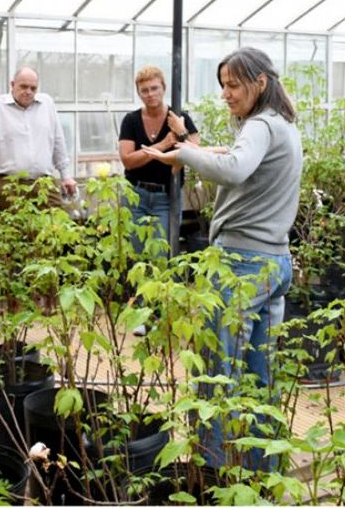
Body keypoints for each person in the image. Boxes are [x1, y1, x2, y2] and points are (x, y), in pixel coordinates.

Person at [143, 47, 302, 471]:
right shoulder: (281, 125)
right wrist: (200, 149)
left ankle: (209, 475)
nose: (226, 94)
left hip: (241, 265)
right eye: (223, 86)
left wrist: (181, 155)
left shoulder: (260, 125)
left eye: (233, 85)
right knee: (259, 378)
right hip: (275, 263)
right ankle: (261, 473)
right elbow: (236, 157)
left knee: (215, 376)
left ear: (260, 82)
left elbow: (235, 168)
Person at [0, 67, 76, 208]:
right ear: (12, 85)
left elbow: (58, 141)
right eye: (23, 87)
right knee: (14, 228)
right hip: (8, 185)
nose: (28, 92)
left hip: (43, 183)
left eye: (33, 88)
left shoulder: (47, 104)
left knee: (55, 225)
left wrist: (66, 176)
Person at [118, 66, 199, 253]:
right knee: (136, 252)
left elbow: (196, 152)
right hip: (136, 195)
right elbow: (128, 160)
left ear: (164, 88)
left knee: (162, 252)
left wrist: (182, 132)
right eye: (144, 90)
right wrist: (162, 145)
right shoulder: (131, 120)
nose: (150, 94)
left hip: (167, 196)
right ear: (139, 94)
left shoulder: (179, 118)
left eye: (154, 88)